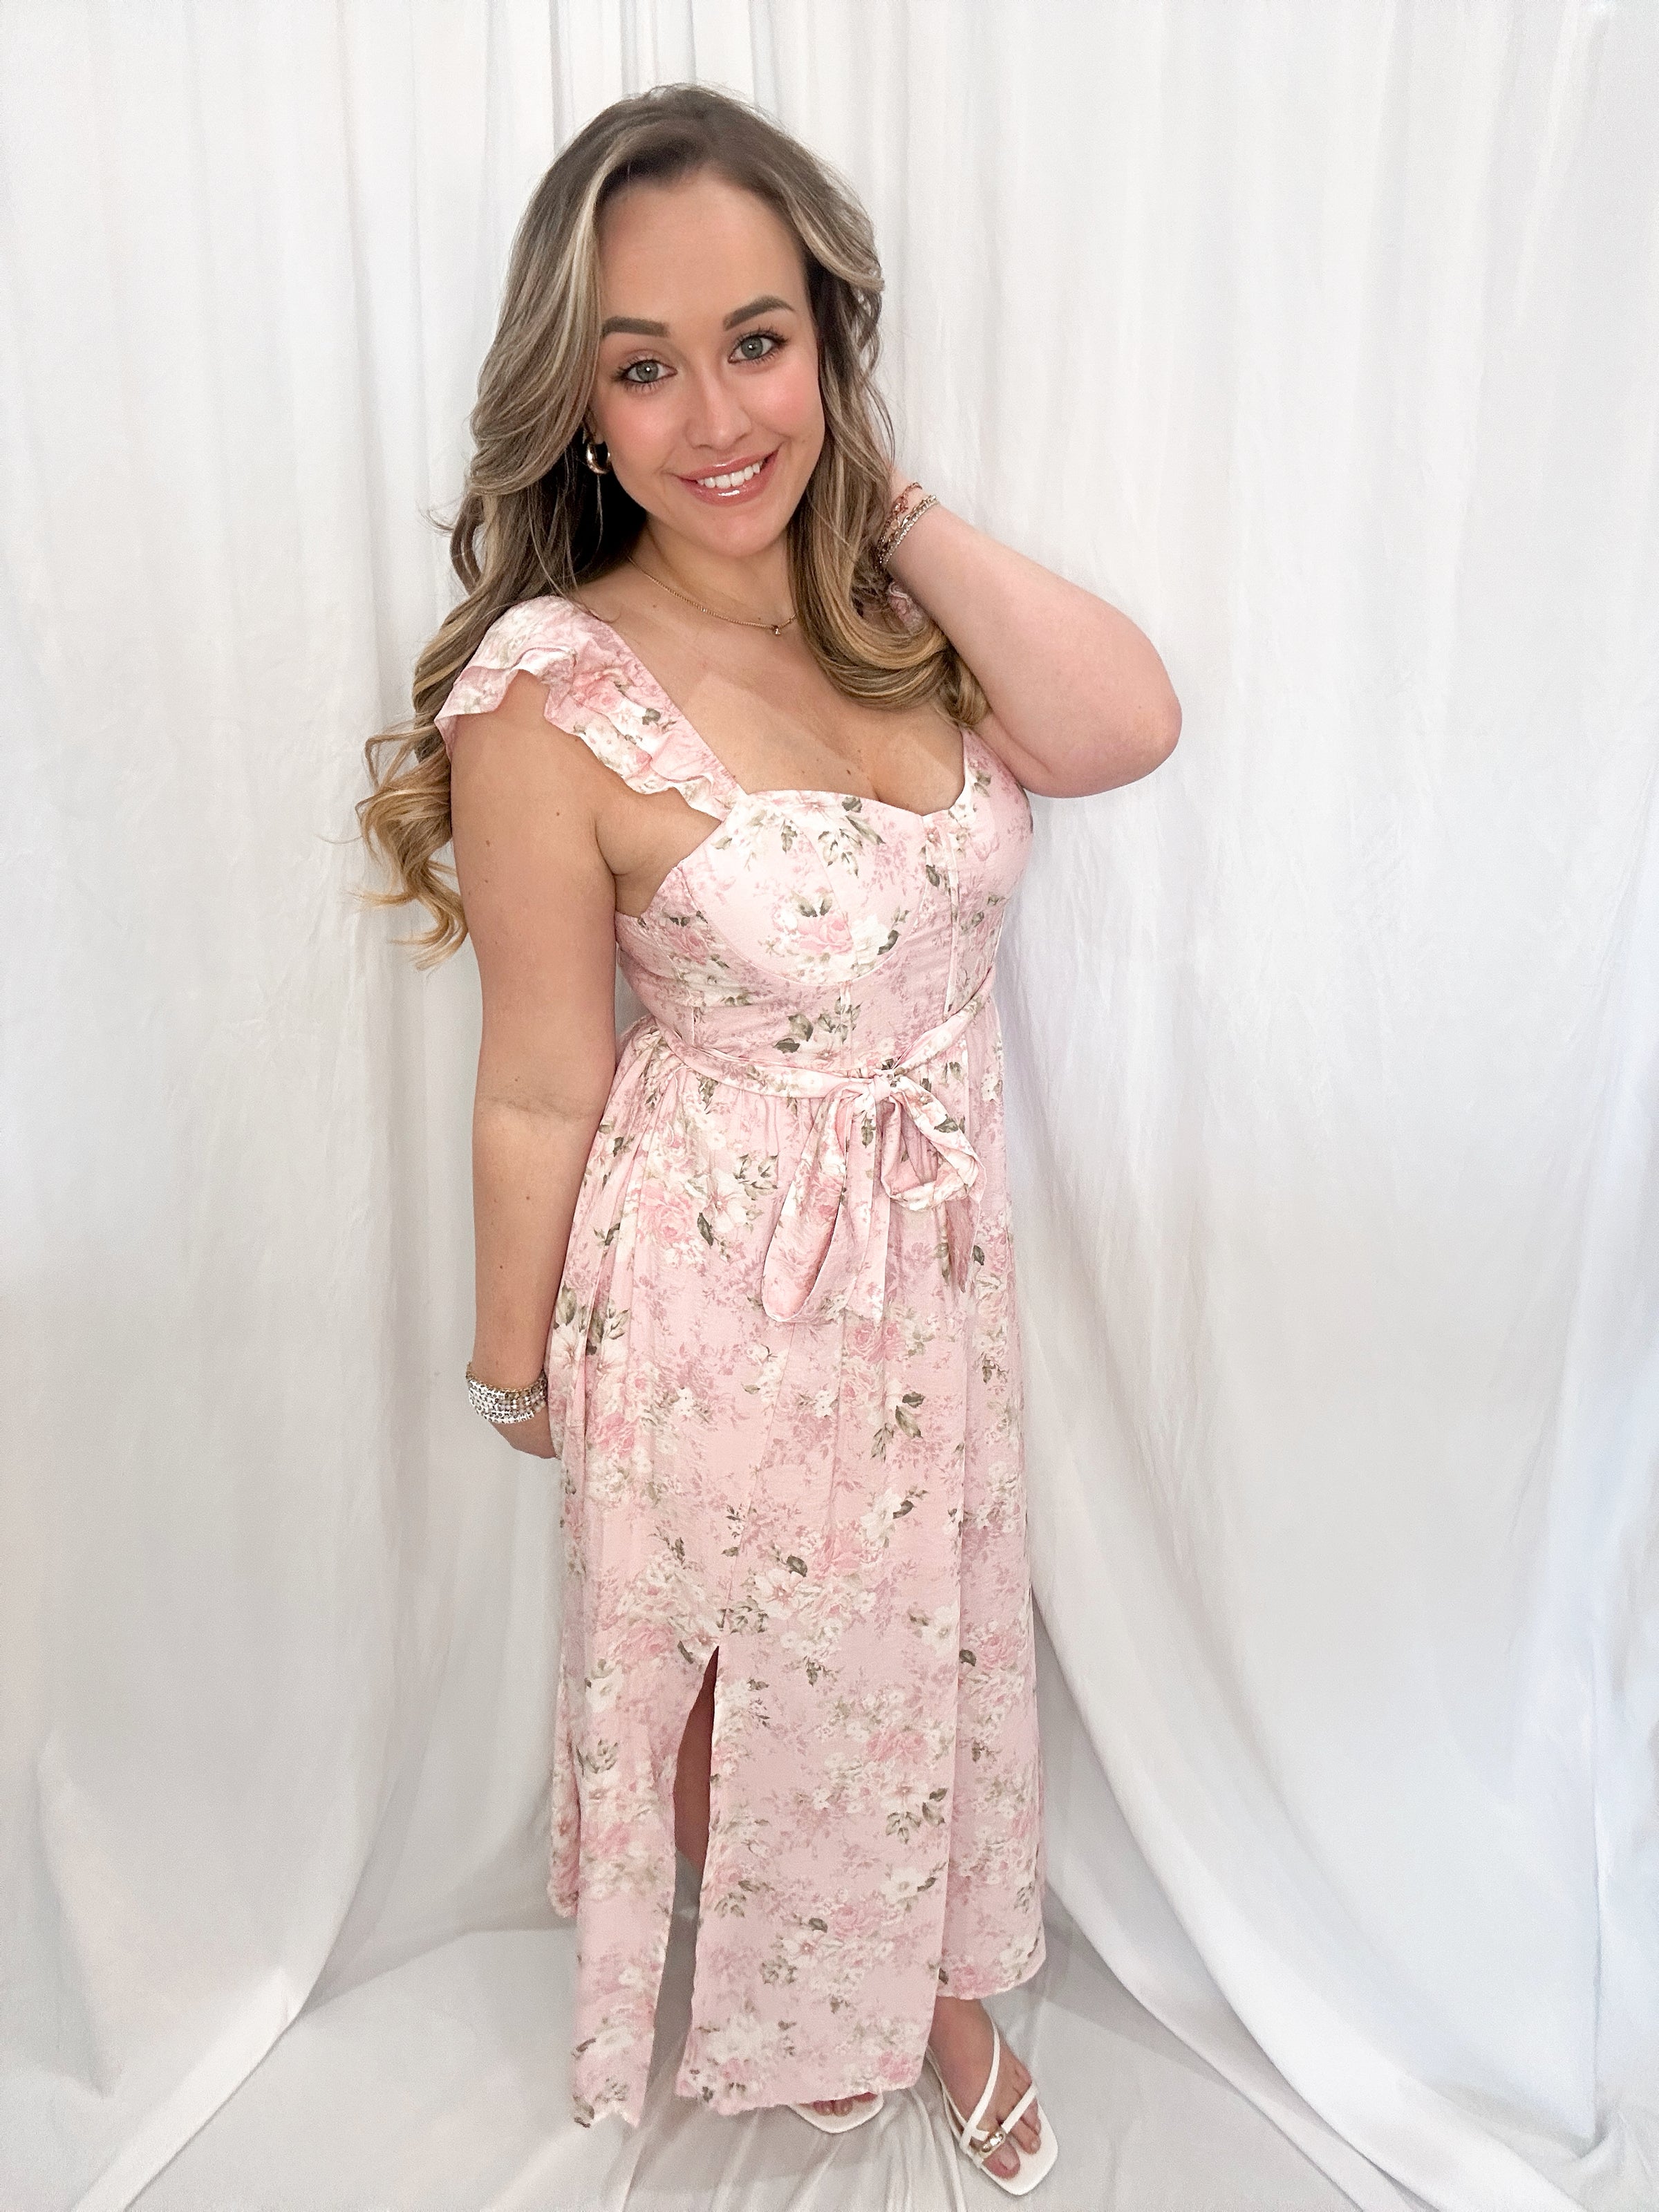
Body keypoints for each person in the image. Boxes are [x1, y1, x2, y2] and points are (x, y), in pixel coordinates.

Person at [358, 82, 1179, 2197]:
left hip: (935, 1267)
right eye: (645, 366)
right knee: (747, 1679)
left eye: (757, 341)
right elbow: (540, 1074)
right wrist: (518, 1363)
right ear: (579, 400)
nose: (715, 415)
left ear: (828, 340)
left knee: (918, 1651)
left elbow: (1124, 725)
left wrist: (882, 507)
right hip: (712, 1281)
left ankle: (924, 1977)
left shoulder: (891, 615)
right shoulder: (551, 694)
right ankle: (880, 2012)